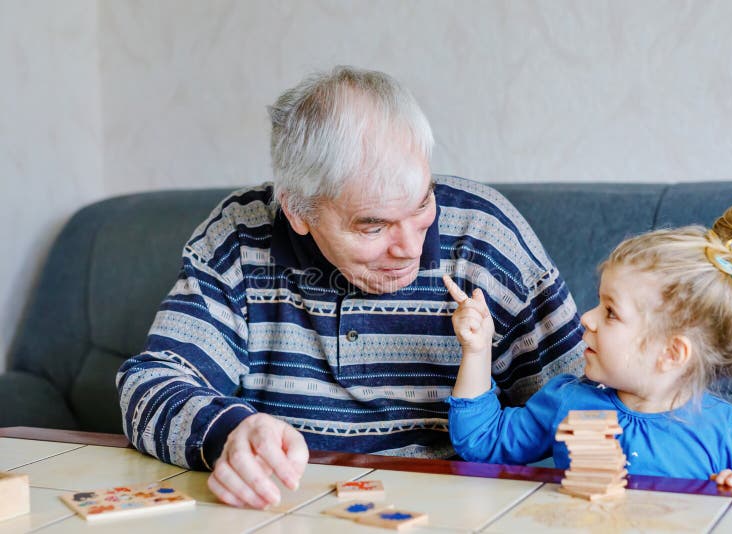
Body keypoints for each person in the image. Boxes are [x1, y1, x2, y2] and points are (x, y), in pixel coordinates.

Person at [116, 66, 585, 509]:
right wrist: (225, 435)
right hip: (288, 510)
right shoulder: (236, 240)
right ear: (298, 211)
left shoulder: (486, 235)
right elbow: (151, 386)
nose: (410, 250)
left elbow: (591, 400)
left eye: (422, 204)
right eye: (373, 226)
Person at [445, 203, 732, 486]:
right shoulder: (568, 400)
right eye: (598, 302)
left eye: (610, 312)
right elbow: (482, 441)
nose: (586, 319)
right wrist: (477, 351)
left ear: (671, 353)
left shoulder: (729, 435)